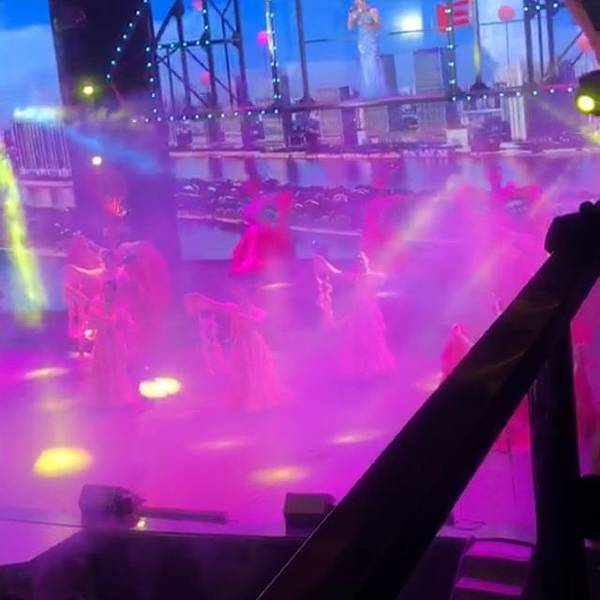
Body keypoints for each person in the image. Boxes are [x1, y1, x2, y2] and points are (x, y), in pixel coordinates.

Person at [185, 288, 285, 411]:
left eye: (244, 297)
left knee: (255, 369)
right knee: (241, 369)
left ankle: (256, 398)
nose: (241, 299)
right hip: (240, 343)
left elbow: (257, 320)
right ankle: (244, 398)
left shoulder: (256, 311)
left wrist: (241, 315)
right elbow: (217, 306)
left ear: (249, 298)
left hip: (253, 343)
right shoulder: (233, 308)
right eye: (239, 297)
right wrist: (202, 299)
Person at [314, 252, 396, 380]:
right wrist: (324, 262)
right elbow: (337, 273)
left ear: (366, 263)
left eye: (362, 261)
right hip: (359, 311)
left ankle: (375, 369)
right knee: (357, 340)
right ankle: (360, 370)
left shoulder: (372, 276)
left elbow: (385, 277)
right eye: (358, 262)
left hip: (370, 312)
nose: (360, 264)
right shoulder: (356, 277)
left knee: (371, 340)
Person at [88, 280, 135, 406]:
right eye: (105, 290)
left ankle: (117, 398)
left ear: (114, 292)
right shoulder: (98, 305)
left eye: (109, 290)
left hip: (115, 342)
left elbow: (128, 324)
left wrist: (118, 325)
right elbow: (92, 321)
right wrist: (101, 322)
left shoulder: (120, 308)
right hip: (102, 342)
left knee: (116, 367)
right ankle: (102, 399)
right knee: (102, 367)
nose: (106, 293)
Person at [347, 0, 383, 99]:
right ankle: (368, 92)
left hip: (371, 40)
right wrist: (352, 15)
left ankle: (375, 91)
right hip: (362, 42)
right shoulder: (354, 12)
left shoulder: (372, 10)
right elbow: (350, 27)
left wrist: (367, 25)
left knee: (372, 64)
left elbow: (378, 25)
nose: (356, 1)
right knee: (364, 65)